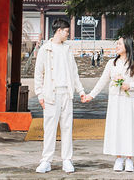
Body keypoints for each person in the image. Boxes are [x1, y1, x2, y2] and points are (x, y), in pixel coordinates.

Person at [83, 36, 134, 173]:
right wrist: (91, 95)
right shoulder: (111, 63)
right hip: (115, 101)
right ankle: (118, 158)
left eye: (119, 44)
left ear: (127, 46)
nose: (116, 46)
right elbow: (102, 81)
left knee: (129, 128)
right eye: (116, 44)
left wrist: (129, 85)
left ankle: (129, 158)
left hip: (129, 101)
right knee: (116, 127)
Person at [34, 18, 86, 174]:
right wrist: (39, 94)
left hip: (66, 93)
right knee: (49, 128)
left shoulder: (67, 49)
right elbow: (38, 73)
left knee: (67, 127)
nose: (68, 34)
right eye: (66, 31)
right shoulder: (45, 49)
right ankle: (46, 160)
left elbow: (74, 73)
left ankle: (67, 160)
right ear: (59, 31)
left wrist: (81, 91)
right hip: (51, 93)